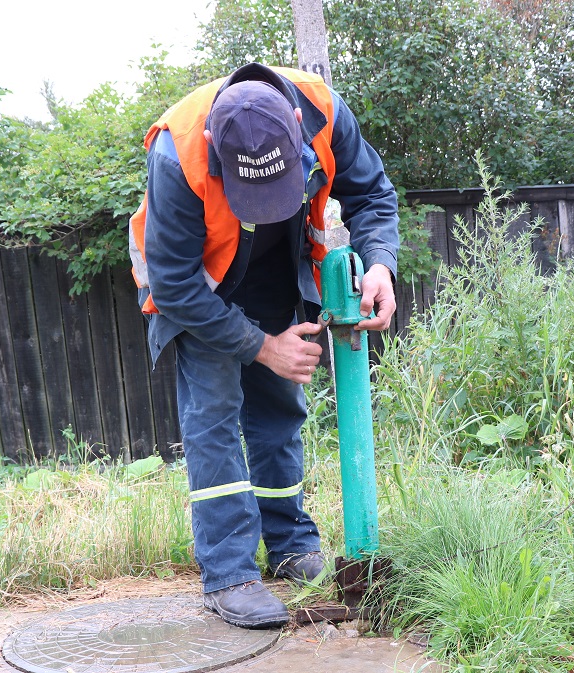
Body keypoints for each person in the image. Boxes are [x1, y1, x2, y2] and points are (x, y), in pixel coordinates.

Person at [128, 62, 399, 629]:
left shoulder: (323, 111)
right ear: (212, 144)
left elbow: (371, 193)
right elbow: (174, 283)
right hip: (200, 291)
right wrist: (261, 346)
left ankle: (290, 543)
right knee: (214, 421)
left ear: (296, 123)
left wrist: (379, 262)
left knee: (280, 410)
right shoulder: (177, 153)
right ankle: (229, 574)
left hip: (275, 272)